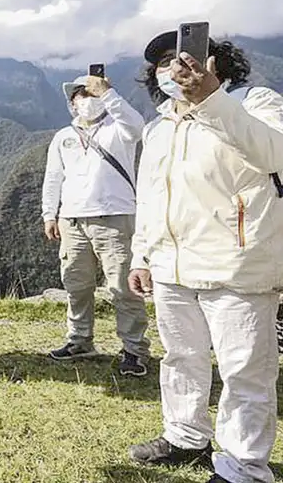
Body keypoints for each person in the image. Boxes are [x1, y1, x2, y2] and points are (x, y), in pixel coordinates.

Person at [127, 32, 283, 483]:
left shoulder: (254, 101)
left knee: (244, 370)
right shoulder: (160, 125)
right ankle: (185, 436)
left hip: (238, 261)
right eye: (161, 63)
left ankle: (243, 467)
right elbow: (152, 197)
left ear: (215, 60)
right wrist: (142, 255)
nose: (172, 68)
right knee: (181, 355)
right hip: (173, 264)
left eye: (181, 57)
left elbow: (272, 152)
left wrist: (211, 99)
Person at [41, 73, 151, 376]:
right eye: (80, 95)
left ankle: (134, 349)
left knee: (123, 287)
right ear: (72, 103)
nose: (86, 100)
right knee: (76, 284)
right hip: (72, 220)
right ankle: (79, 340)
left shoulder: (118, 130)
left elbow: (137, 126)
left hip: (115, 217)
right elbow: (54, 177)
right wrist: (50, 214)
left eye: (91, 94)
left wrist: (109, 93)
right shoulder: (63, 137)